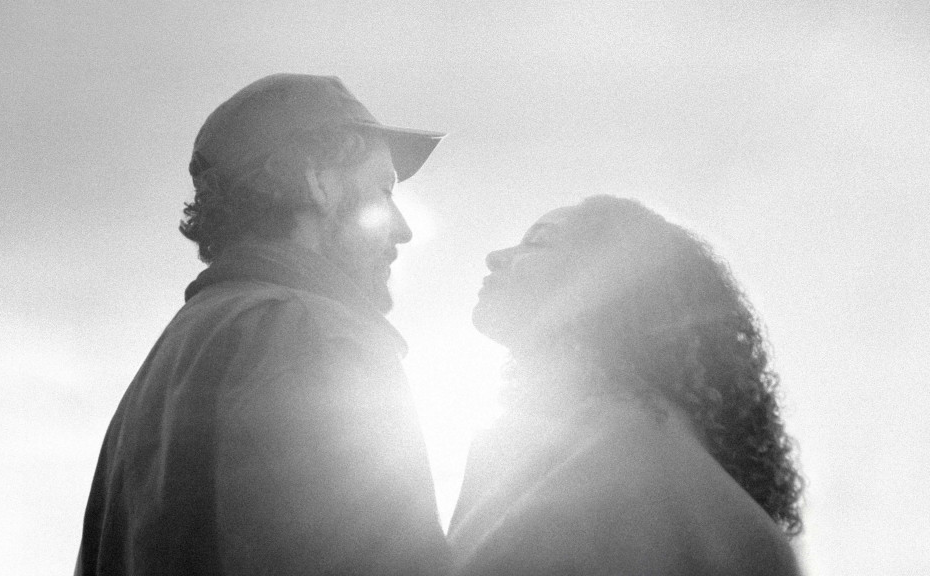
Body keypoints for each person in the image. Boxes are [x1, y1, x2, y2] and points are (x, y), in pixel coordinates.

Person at [76, 73, 448, 576]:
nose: (402, 229)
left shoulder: (167, 364)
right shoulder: (310, 333)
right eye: (383, 191)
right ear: (319, 181)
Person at [448, 195, 804, 576]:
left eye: (538, 242)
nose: (495, 257)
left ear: (602, 281)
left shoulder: (534, 448)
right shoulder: (755, 536)